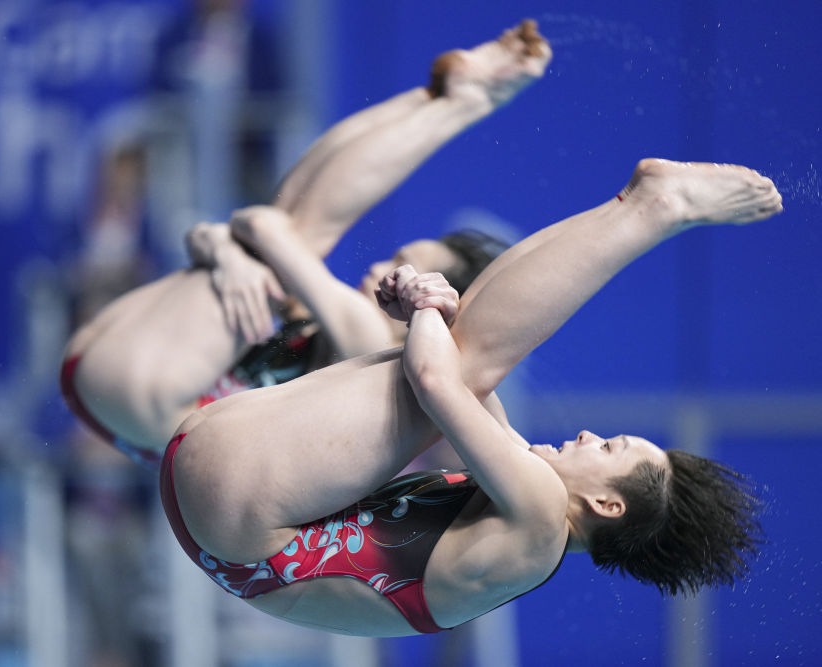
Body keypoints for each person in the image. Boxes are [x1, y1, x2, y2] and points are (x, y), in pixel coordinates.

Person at [160, 157, 780, 636]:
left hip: (237, 512)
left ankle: (653, 206)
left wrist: (426, 304)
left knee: (468, 353)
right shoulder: (531, 528)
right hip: (222, 516)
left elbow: (439, 382)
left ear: (606, 504)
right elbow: (464, 380)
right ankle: (639, 202)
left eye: (611, 447)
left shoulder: (539, 514)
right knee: (470, 348)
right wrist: (429, 311)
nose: (591, 435)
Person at [62, 21, 549, 463]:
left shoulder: (373, 344)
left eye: (405, 271)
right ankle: (443, 96)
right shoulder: (331, 319)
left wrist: (234, 249)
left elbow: (261, 224)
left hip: (145, 396)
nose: (384, 269)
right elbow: (221, 230)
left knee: (298, 232)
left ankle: (460, 101)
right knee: (292, 223)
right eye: (396, 258)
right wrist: (225, 252)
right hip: (119, 379)